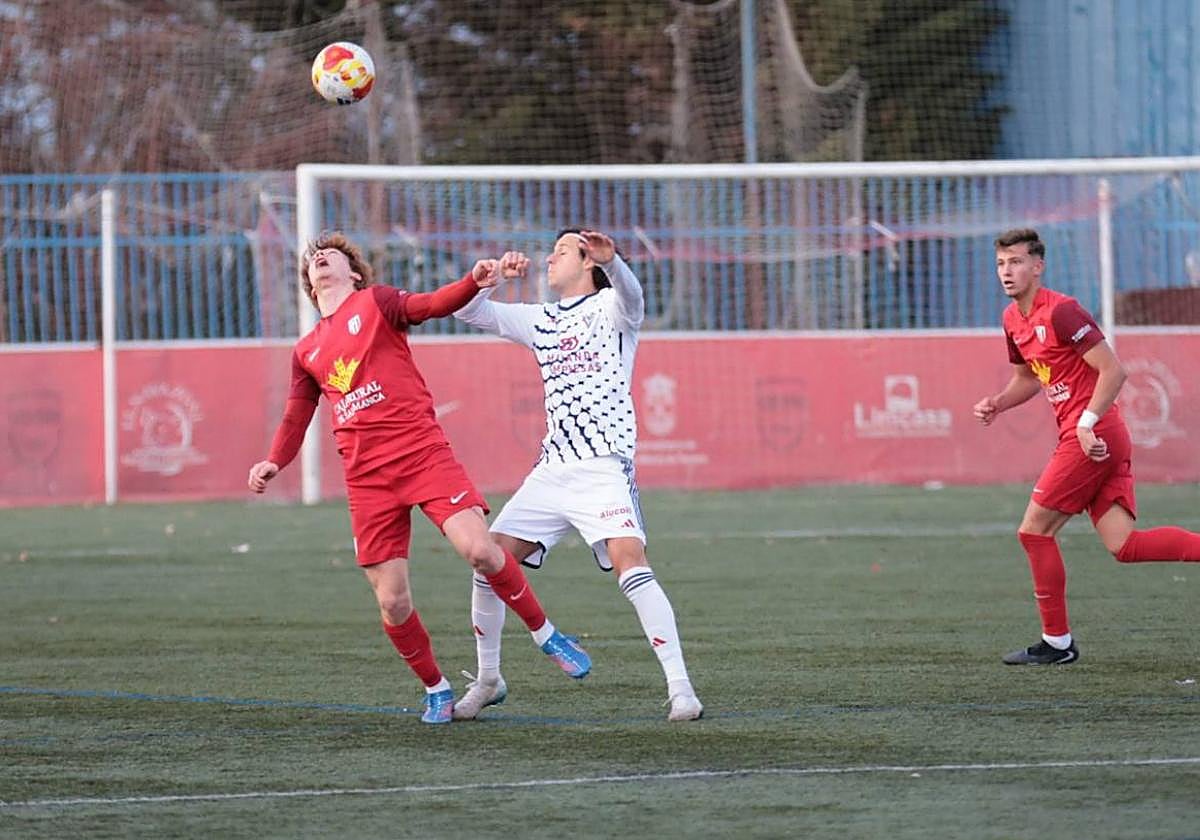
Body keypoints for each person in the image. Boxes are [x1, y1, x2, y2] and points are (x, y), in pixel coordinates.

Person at [247, 231, 591, 724]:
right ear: (308, 281)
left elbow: (431, 305)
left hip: (420, 453)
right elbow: (296, 415)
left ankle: (547, 635)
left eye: (332, 254)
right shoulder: (307, 351)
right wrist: (273, 461)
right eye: (313, 259)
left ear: (354, 272)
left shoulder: (377, 302)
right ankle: (436, 687)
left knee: (480, 549)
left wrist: (472, 282)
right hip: (367, 478)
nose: (319, 258)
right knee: (392, 600)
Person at [450, 228, 703, 722]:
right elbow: (469, 312)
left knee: (630, 563)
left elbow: (634, 297)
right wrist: (492, 277)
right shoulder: (540, 319)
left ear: (588, 261)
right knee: (488, 560)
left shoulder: (613, 308)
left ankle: (681, 689)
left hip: (602, 466)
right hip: (552, 470)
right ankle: (488, 679)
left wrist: (614, 264)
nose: (550, 258)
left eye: (562, 251)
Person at [973, 227, 1200, 665]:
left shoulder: (1062, 311)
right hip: (1091, 435)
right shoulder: (1012, 320)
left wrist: (1086, 422)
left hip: (1093, 435)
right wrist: (998, 403)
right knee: (1125, 545)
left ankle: (1057, 643)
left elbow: (1114, 371)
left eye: (1016, 262)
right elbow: (1028, 378)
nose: (1006, 271)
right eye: (1001, 263)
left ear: (1038, 267)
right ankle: (1058, 643)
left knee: (1034, 531)